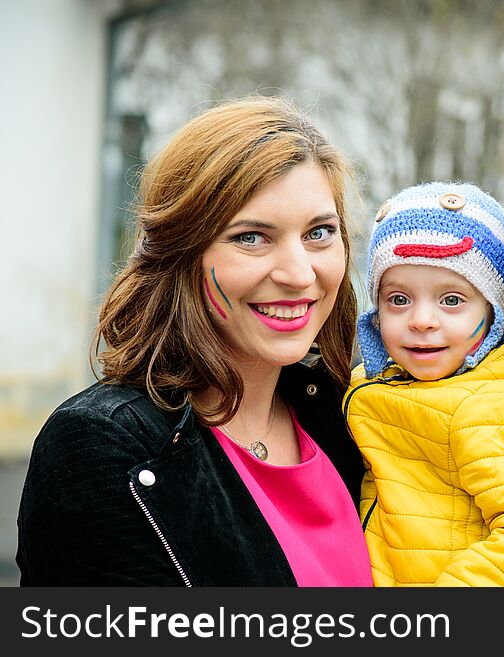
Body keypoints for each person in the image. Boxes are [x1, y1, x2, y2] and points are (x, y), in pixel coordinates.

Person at [16, 96, 373, 586]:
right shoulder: (102, 446)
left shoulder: (350, 416)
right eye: (251, 237)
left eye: (319, 232)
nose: (298, 273)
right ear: (181, 253)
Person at [344, 181, 504, 586]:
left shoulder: (503, 407)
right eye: (398, 299)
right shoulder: (388, 381)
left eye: (451, 300)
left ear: (495, 311)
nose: (421, 320)